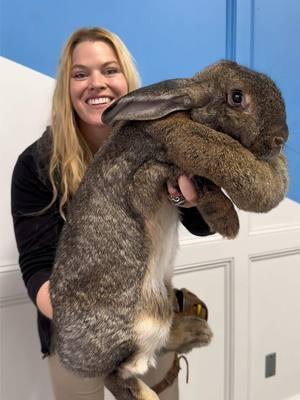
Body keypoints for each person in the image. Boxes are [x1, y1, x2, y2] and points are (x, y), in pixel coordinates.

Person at [11, 27, 213, 400]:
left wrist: (186, 198)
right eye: (80, 73)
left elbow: (203, 225)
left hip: (151, 323)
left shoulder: (162, 143)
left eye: (109, 70)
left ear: (127, 81)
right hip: (77, 334)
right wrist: (91, 328)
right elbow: (38, 264)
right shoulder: (37, 164)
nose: (96, 83)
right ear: (65, 87)